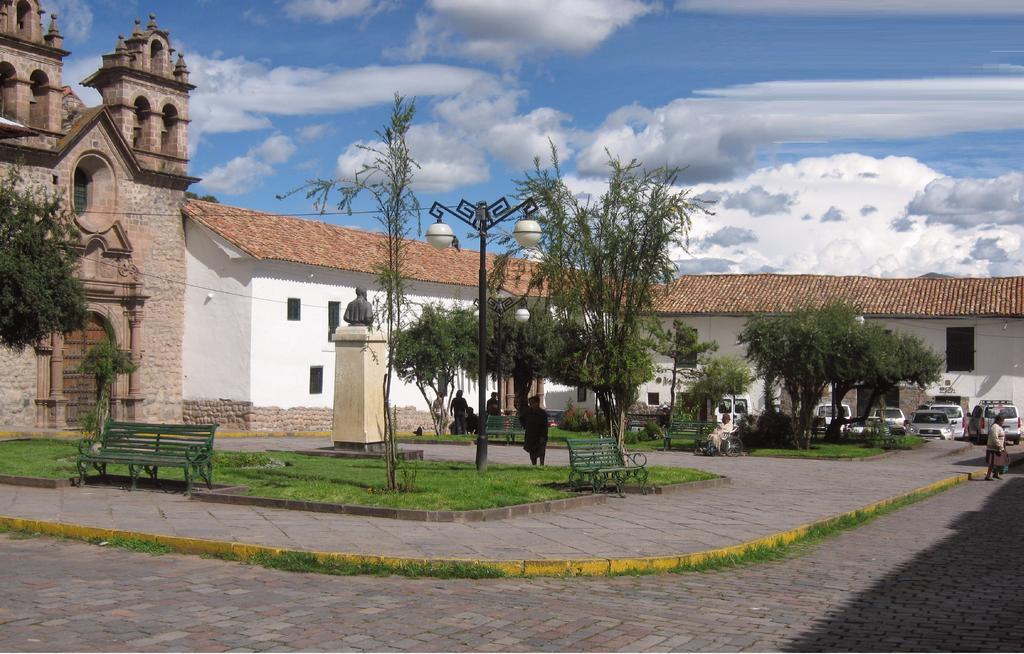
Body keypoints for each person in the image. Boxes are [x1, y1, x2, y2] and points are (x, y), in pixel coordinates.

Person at [520, 395, 549, 465]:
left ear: (537, 403)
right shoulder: (528, 412)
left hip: (540, 435)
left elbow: (545, 427)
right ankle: (534, 464)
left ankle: (542, 464)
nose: (531, 405)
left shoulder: (543, 413)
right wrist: (525, 426)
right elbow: (521, 419)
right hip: (531, 435)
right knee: (532, 451)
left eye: (532, 403)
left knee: (541, 451)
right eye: (530, 403)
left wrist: (543, 437)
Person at [985, 414, 1007, 480]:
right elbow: (994, 438)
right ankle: (988, 476)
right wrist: (1000, 446)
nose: (1003, 422)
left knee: (999, 462)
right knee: (992, 463)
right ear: (998, 420)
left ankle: (996, 474)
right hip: (994, 448)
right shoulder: (994, 427)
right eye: (1002, 421)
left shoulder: (999, 427)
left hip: (999, 448)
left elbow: (1001, 436)